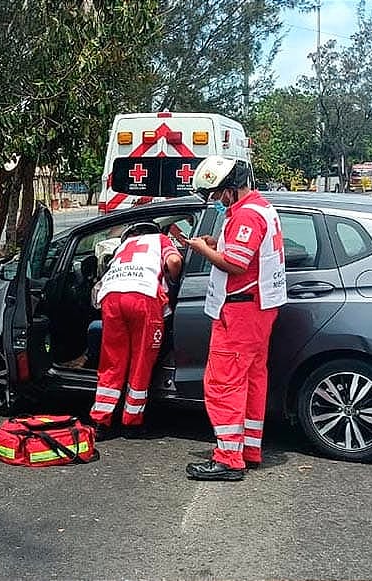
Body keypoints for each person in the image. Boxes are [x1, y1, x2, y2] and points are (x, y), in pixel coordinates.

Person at [184, 155, 286, 481]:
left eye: (217, 194)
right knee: (252, 380)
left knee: (223, 383)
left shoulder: (246, 216)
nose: (215, 200)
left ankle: (228, 458)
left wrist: (203, 250)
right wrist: (218, 243)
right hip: (258, 308)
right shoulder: (260, 209)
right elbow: (244, 254)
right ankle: (248, 448)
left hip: (241, 310)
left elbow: (236, 264)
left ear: (230, 188)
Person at [89, 222, 182, 439]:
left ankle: (101, 421)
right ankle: (132, 422)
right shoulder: (161, 240)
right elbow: (175, 261)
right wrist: (173, 279)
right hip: (143, 298)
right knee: (141, 361)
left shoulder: (124, 245)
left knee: (112, 361)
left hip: (112, 297)